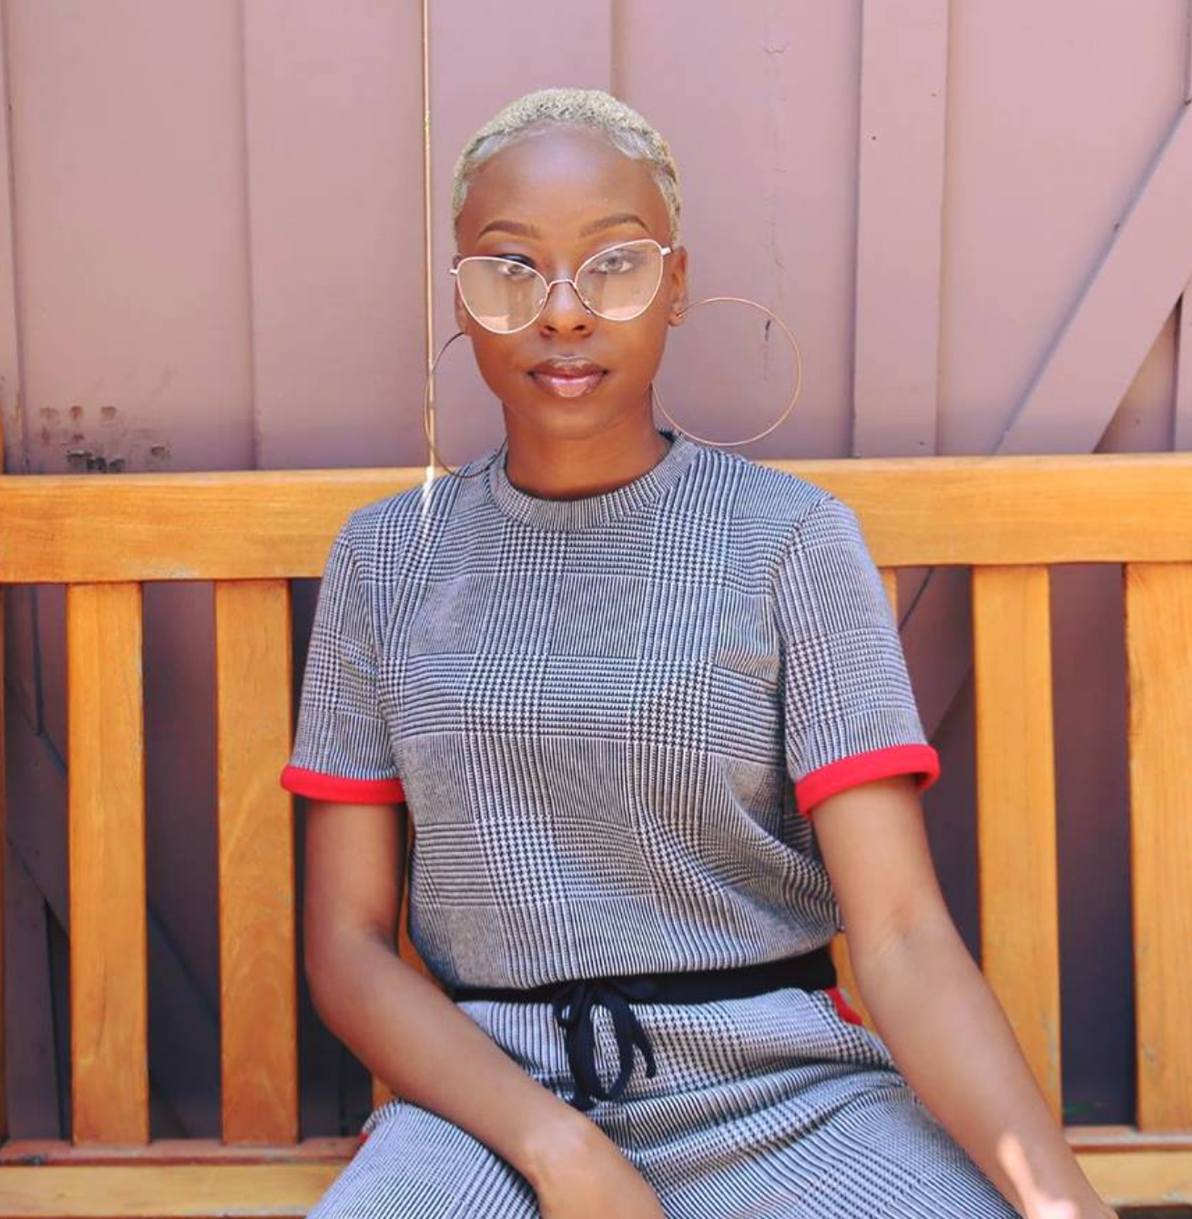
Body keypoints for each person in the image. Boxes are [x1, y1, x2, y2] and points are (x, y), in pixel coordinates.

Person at [280, 88, 1114, 1219]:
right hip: (483, 1106)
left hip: (788, 1095)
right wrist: (560, 1148)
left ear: (675, 285)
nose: (562, 313)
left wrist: (1062, 1204)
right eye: (511, 268)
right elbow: (346, 944)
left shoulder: (789, 540)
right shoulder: (388, 558)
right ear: (462, 296)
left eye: (615, 265)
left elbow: (904, 935)